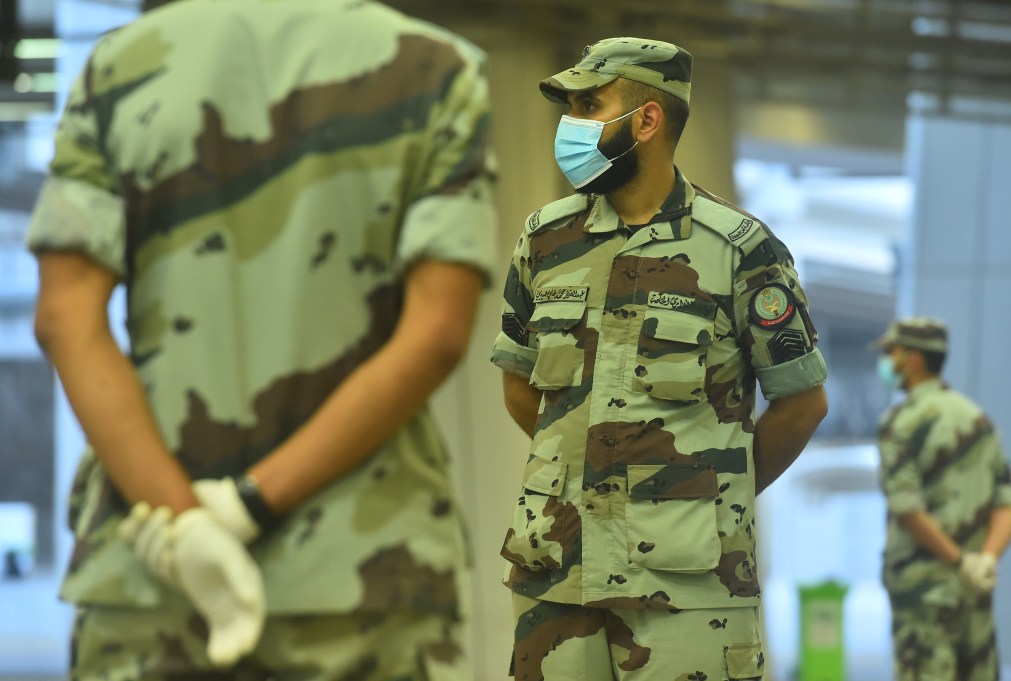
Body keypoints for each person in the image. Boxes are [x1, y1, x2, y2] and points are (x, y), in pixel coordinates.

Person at [27, 0, 497, 677]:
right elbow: (438, 332)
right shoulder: (436, 71)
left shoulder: (118, 68)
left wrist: (186, 524)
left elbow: (65, 316)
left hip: (153, 569)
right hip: (362, 573)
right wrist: (248, 505)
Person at [490, 36, 828, 679]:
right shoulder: (545, 239)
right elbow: (520, 384)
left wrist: (707, 495)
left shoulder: (740, 250)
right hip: (558, 574)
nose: (571, 124)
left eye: (589, 106)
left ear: (646, 120)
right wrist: (583, 476)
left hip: (688, 586)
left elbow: (802, 403)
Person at [874, 317, 1011, 681]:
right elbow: (1008, 500)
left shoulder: (901, 422)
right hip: (974, 589)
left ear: (914, 359)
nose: (886, 361)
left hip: (923, 593)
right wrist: (984, 561)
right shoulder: (978, 419)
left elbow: (906, 508)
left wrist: (959, 562)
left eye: (892, 352)